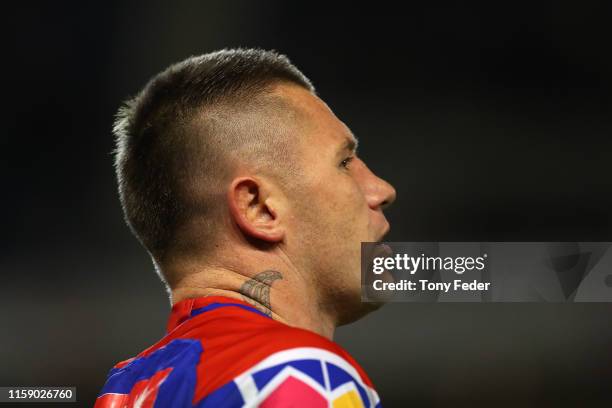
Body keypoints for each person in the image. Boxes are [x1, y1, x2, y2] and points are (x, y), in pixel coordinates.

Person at [95, 48, 396, 408]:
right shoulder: (300, 375)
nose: (382, 190)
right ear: (258, 207)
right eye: (345, 162)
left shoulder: (127, 390)